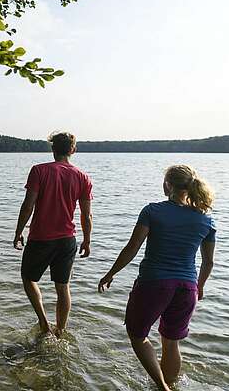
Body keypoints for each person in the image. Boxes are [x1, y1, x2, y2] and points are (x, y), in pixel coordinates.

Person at [97, 165, 216, 390]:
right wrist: (199, 287)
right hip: (187, 287)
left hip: (154, 284)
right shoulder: (205, 219)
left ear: (167, 185)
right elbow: (208, 262)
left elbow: (132, 247)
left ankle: (162, 386)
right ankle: (167, 384)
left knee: (137, 335)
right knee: (171, 343)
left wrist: (111, 273)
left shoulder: (152, 211)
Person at [13, 131, 93, 338]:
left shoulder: (39, 171)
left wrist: (18, 231)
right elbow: (87, 214)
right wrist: (87, 240)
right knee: (63, 286)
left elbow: (27, 205)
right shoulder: (82, 177)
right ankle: (61, 330)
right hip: (67, 239)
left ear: (52, 149)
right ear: (73, 150)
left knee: (28, 278)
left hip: (41, 237)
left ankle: (43, 323)